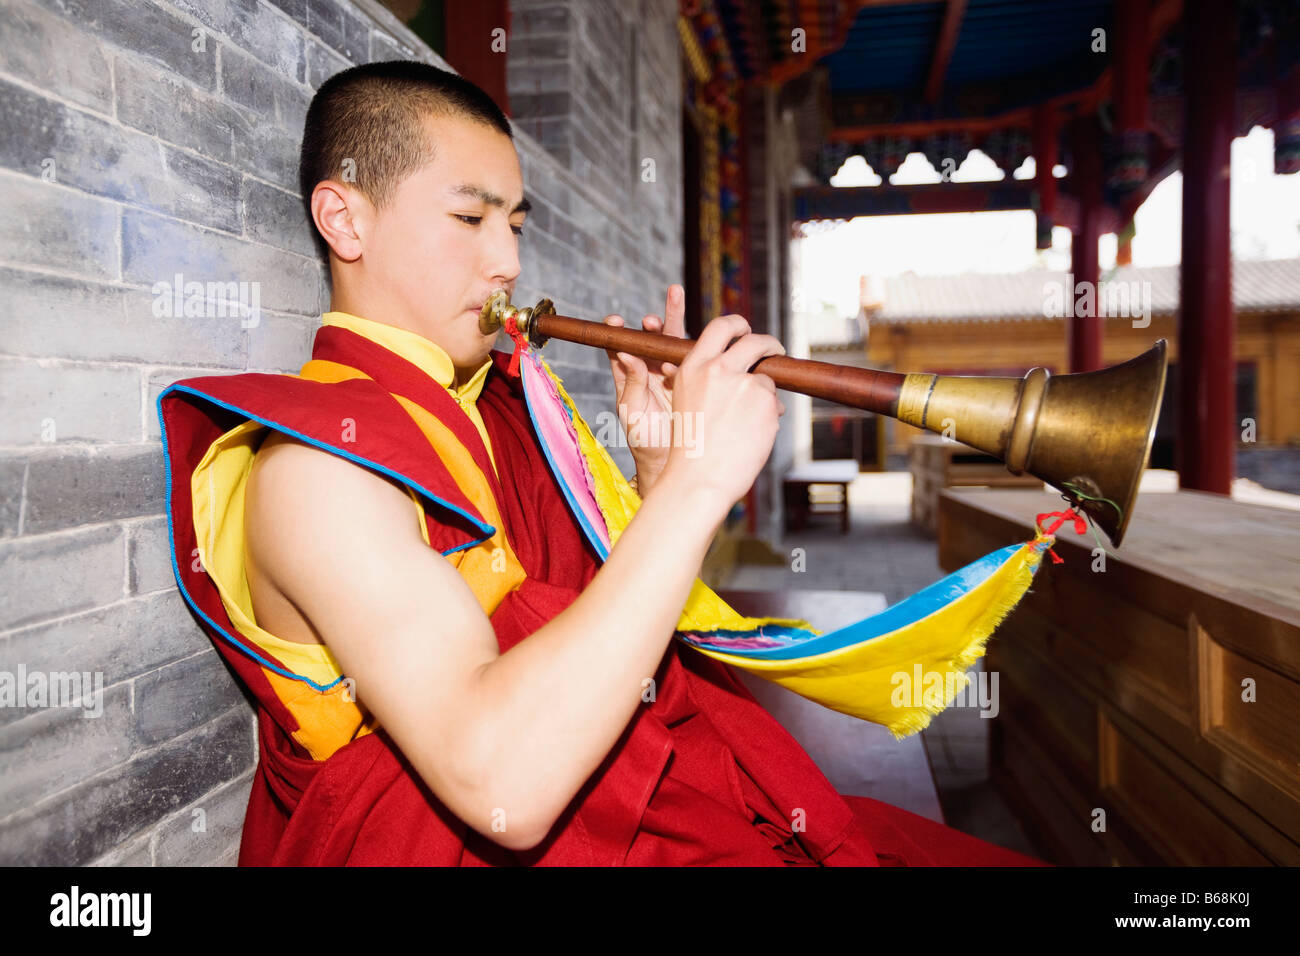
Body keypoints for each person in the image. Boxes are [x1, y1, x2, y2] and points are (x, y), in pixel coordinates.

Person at [157, 60, 1047, 866]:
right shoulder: (319, 470)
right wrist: (694, 493)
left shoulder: (504, 409)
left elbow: (605, 640)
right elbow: (501, 785)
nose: (506, 260)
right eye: (469, 218)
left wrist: (658, 480)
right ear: (342, 218)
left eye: (513, 222)